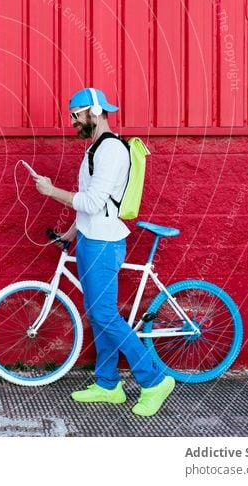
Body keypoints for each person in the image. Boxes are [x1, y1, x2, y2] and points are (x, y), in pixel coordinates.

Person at [33, 87, 175, 417]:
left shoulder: (110, 151)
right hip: (90, 239)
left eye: (75, 114)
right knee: (100, 316)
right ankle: (108, 385)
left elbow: (94, 202)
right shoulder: (96, 148)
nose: (72, 121)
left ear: (94, 112)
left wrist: (50, 191)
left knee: (105, 316)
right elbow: (90, 203)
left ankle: (154, 381)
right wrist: (71, 233)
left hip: (103, 244)